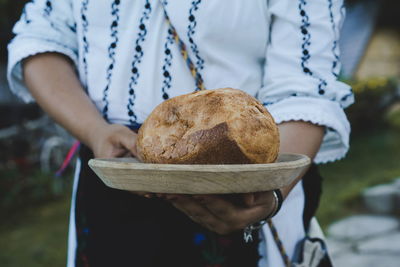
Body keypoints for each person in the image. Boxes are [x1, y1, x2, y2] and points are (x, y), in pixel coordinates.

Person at [7, 0, 353, 266]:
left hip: (241, 180)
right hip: (114, 171)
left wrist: (270, 191)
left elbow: (306, 88)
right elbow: (41, 40)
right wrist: (96, 131)